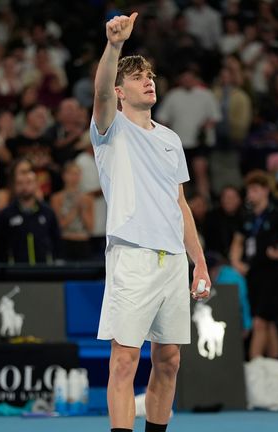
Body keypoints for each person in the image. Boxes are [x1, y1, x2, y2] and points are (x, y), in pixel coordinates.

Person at [90, 12, 210, 432]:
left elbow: (180, 205)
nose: (149, 81)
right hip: (132, 258)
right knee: (124, 360)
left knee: (169, 360)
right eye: (138, 78)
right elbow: (101, 89)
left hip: (173, 260)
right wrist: (115, 46)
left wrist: (199, 262)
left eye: (151, 76)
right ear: (122, 92)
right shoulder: (111, 128)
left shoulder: (170, 139)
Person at [229, 171, 278, 359]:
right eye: (249, 190)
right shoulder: (247, 216)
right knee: (268, 322)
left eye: (255, 190)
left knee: (260, 321)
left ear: (266, 191)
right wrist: (236, 262)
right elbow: (237, 242)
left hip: (271, 273)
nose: (251, 194)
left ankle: (254, 363)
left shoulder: (277, 215)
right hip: (252, 273)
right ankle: (274, 362)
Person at [0, 170, 61, 264]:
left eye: (29, 182)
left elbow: (56, 241)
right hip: (15, 272)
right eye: (20, 183)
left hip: (44, 271)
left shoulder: (48, 212)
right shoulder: (6, 214)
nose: (24, 187)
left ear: (36, 184)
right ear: (14, 186)